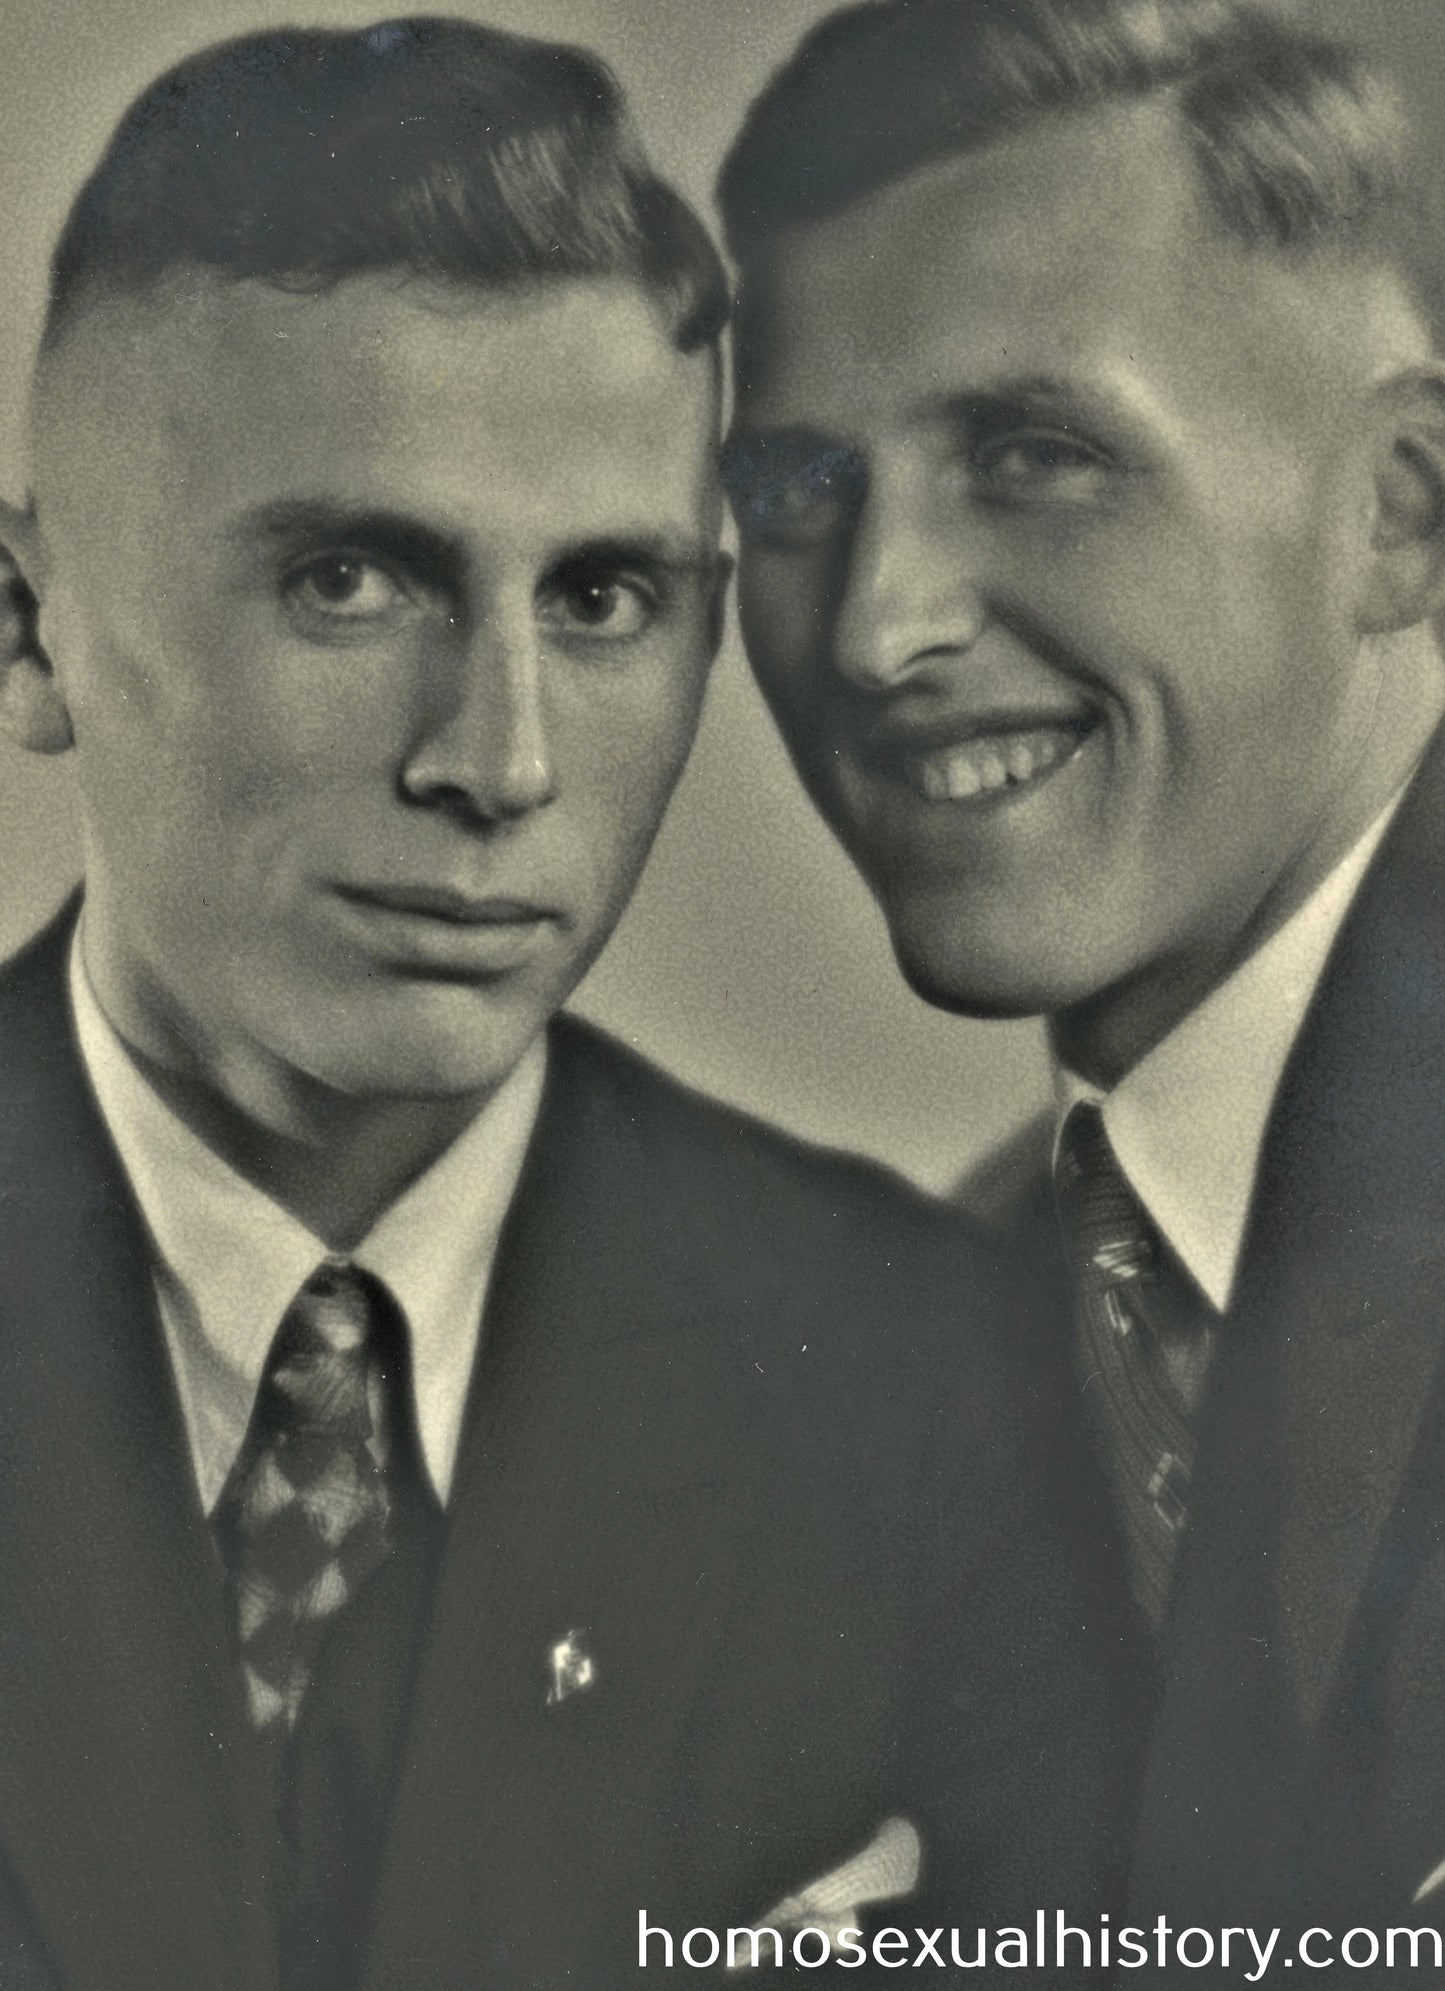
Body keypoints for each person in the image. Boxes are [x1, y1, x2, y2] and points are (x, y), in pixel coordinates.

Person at [0, 16, 1119, 1990]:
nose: (501, 762)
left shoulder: (948, 1395)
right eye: (353, 582)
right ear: (29, 635)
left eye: (602, 602)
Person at [719, 0, 1445, 1965]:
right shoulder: (945, 1338)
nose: (877, 625)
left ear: (1399, 514)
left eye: (1031, 454)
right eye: (795, 500)